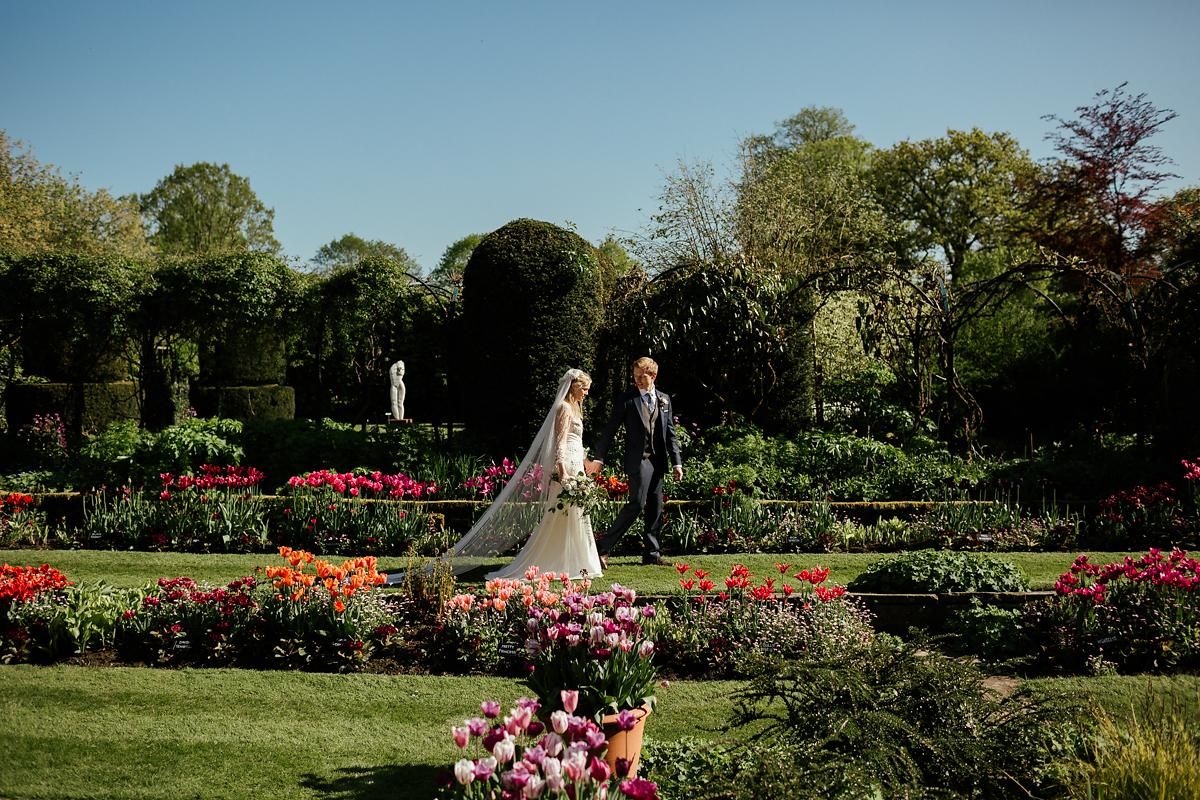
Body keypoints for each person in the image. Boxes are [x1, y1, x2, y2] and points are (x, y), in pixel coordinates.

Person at [448, 368, 603, 580]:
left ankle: (577, 561)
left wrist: (584, 463)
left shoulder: (575, 409)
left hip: (576, 464)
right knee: (561, 512)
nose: (586, 393)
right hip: (566, 464)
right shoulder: (564, 408)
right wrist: (562, 471)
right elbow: (559, 443)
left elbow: (577, 441)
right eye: (584, 389)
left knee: (576, 512)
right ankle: (558, 559)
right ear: (574, 387)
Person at [589, 356, 683, 567]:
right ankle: (602, 548)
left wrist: (677, 463)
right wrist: (599, 457)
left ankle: (651, 554)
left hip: (658, 461)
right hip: (638, 460)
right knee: (637, 504)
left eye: (642, 376)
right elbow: (610, 430)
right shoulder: (627, 400)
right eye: (635, 376)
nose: (638, 380)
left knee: (655, 507)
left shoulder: (664, 399)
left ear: (653, 376)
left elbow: (670, 434)